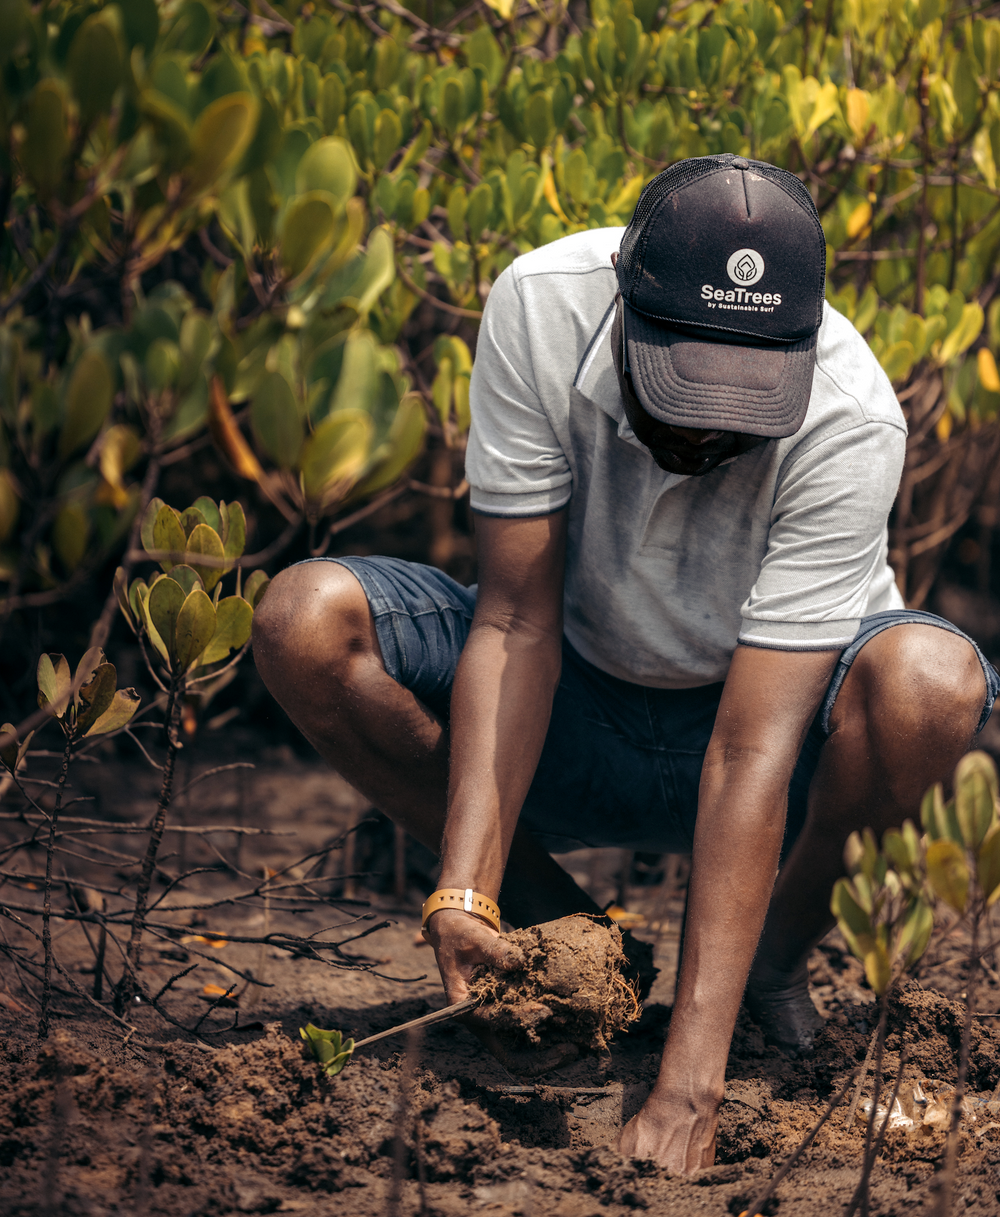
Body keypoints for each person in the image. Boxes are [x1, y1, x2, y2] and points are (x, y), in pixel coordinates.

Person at [251, 154, 999, 1174]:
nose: (705, 425)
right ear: (624, 311)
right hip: (577, 696)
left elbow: (751, 749)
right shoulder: (542, 305)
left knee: (931, 684)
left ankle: (770, 967)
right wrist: (462, 887)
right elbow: (514, 622)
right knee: (303, 618)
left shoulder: (850, 413)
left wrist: (690, 1086)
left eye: (743, 397)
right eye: (683, 383)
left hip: (759, 734)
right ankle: (561, 936)